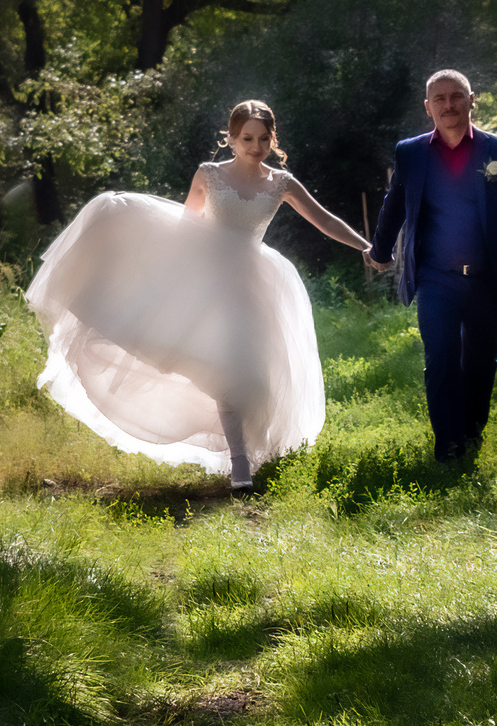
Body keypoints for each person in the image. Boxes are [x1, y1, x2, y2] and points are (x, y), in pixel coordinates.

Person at [24, 100, 370, 490]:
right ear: (231, 139)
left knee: (248, 373)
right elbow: (185, 227)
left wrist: (365, 247)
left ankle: (251, 450)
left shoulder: (282, 183)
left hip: (250, 285)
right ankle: (240, 464)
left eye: (262, 139)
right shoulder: (209, 175)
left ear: (273, 140)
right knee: (220, 371)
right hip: (207, 281)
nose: (254, 147)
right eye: (246, 138)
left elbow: (324, 219)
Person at [365, 69, 497, 464]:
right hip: (435, 276)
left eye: (456, 96)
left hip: (486, 276)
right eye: (440, 98)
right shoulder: (410, 152)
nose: (449, 105)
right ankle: (448, 447)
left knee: (480, 362)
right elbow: (394, 205)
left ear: (471, 99)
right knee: (441, 357)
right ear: (427, 107)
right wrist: (380, 251)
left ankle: (471, 436)